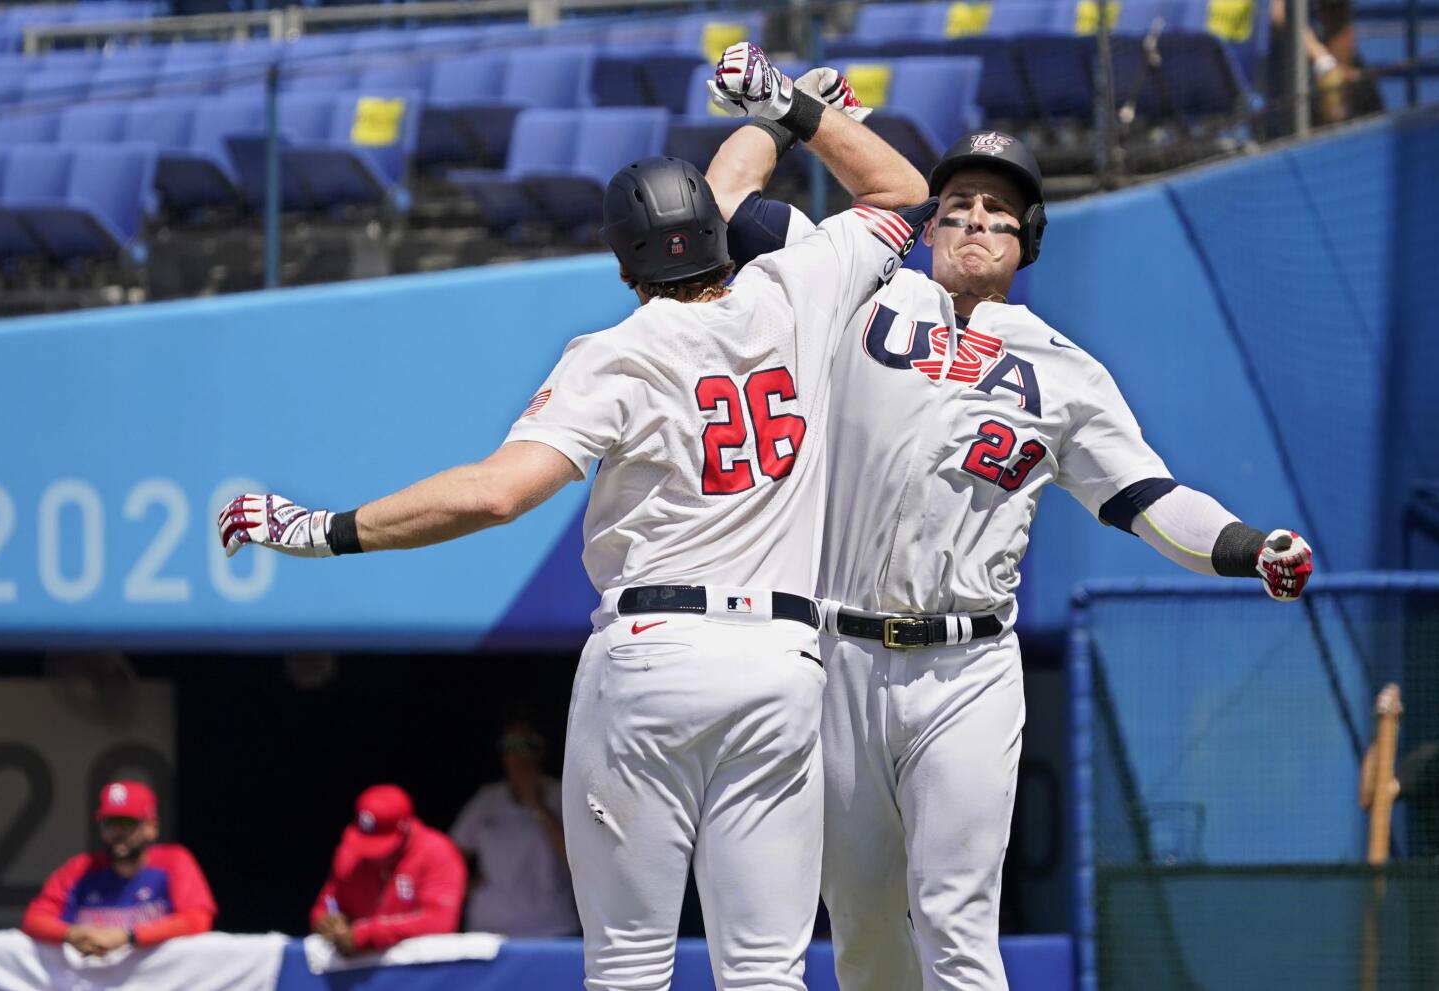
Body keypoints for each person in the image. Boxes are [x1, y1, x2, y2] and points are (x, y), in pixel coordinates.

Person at [216, 41, 931, 990]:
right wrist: (790, 112)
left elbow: (495, 491)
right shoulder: (794, 288)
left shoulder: (618, 349)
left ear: (624, 261)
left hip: (653, 653)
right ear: (719, 235)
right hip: (779, 664)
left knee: (629, 965)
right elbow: (900, 192)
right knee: (766, 969)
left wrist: (324, 528)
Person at [706, 74, 1315, 990]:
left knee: (956, 921)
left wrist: (1244, 544)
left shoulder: (1063, 368)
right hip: (837, 656)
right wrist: (790, 115)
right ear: (927, 227)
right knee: (865, 926)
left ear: (1027, 239)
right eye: (956, 205)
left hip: (968, 666)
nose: (977, 219)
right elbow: (730, 209)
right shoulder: (859, 293)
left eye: (1000, 208)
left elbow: (1148, 495)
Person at [22, 781, 215, 956]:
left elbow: (198, 919)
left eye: (126, 823)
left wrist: (129, 937)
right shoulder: (80, 867)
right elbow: (34, 918)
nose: (116, 832)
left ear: (152, 827)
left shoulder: (174, 860)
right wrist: (71, 933)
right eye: (109, 823)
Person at [449, 716, 579, 936]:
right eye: (510, 745)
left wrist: (537, 807)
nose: (519, 754)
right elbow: (450, 854)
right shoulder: (486, 800)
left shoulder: (564, 794)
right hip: (489, 928)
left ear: (542, 749)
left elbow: (579, 861)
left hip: (552, 926)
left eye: (528, 744)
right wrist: (464, 885)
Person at [309, 784, 468, 955]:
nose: (373, 855)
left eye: (381, 844)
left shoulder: (437, 852)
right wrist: (323, 920)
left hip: (419, 974)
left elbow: (440, 922)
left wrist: (366, 935)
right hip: (357, 972)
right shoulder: (350, 853)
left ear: (406, 828)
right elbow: (327, 904)